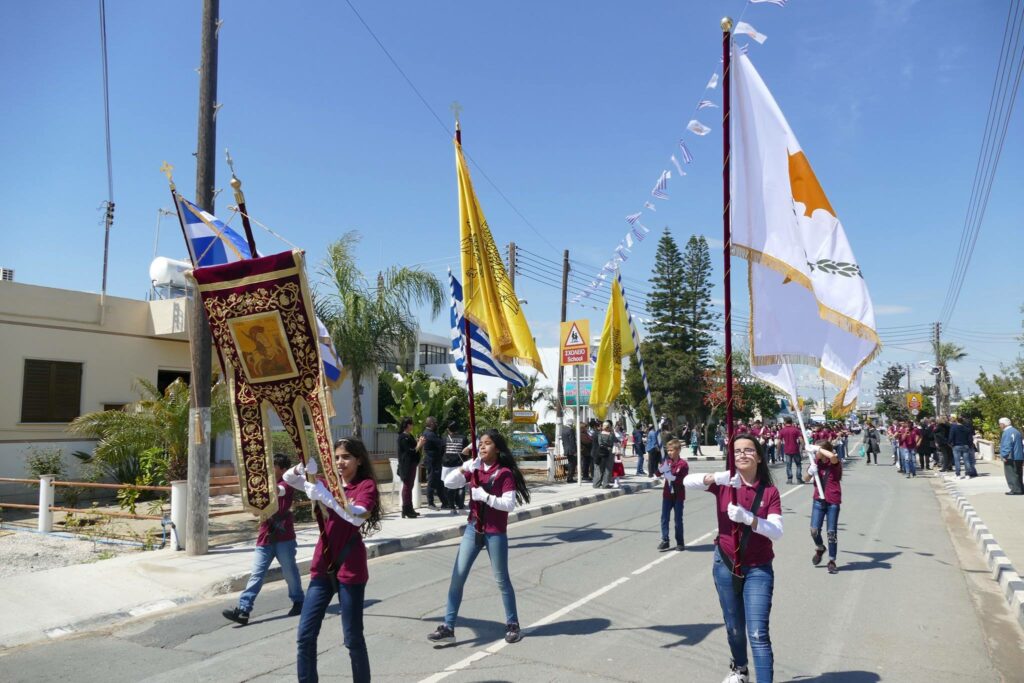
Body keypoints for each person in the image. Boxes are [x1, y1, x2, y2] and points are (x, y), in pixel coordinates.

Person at [683, 434, 784, 683]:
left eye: (748, 450)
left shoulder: (769, 491)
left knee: (758, 633)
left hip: (758, 569)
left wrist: (749, 519)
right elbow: (687, 481)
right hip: (725, 564)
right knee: (734, 628)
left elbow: (777, 532)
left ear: (759, 457)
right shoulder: (725, 484)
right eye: (737, 451)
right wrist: (715, 477)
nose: (742, 454)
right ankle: (740, 668)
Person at [285, 437, 382, 683]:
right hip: (323, 564)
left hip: (350, 566)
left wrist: (326, 496)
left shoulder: (366, 486)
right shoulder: (330, 483)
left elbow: (356, 517)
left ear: (359, 460)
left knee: (352, 638)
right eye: (337, 457)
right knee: (305, 635)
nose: (340, 462)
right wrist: (302, 469)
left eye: (346, 457)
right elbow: (288, 479)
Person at [428, 429, 531, 646]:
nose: (482, 447)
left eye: (487, 443)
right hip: (473, 529)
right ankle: (448, 626)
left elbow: (509, 504)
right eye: (480, 443)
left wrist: (485, 496)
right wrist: (465, 467)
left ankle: (513, 624)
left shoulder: (504, 473)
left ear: (497, 448)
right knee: (458, 576)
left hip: (495, 532)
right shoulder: (474, 469)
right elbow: (448, 482)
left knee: (502, 580)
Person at [222, 453, 304, 625]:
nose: (269, 469)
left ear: (282, 469)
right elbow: (256, 509)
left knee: (289, 572)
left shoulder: (287, 484)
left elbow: (279, 492)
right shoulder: (264, 484)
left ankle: (299, 602)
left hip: (284, 537)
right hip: (266, 535)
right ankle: (244, 610)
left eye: (273, 466)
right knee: (256, 574)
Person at [804, 441, 842, 574]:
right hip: (818, 501)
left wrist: (819, 448)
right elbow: (806, 479)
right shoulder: (815, 462)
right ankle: (820, 548)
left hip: (832, 501)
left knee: (831, 533)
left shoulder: (834, 462)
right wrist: (810, 472)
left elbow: (832, 456)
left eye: (818, 451)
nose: (815, 453)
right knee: (814, 530)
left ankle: (832, 560)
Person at [657, 439, 689, 551]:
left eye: (672, 450)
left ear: (678, 450)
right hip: (667, 495)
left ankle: (680, 542)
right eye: (668, 450)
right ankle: (665, 540)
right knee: (664, 518)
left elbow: (681, 479)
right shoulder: (667, 462)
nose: (669, 452)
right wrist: (660, 469)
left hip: (678, 495)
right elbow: (658, 473)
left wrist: (672, 477)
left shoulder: (683, 464)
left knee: (678, 520)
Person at [442, 422, 469, 513]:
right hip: (459, 465)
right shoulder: (463, 438)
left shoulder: (445, 439)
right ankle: (460, 505)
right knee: (461, 485)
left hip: (446, 465)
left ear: (448, 429)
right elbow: (466, 452)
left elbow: (442, 451)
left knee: (448, 485)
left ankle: (451, 506)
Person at [397, 417, 420, 518]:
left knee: (410, 486)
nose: (412, 426)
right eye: (411, 424)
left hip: (412, 464)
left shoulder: (409, 436)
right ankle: (405, 509)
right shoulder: (402, 437)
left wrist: (418, 443)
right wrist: (419, 445)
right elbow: (409, 451)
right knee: (407, 487)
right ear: (407, 425)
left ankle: (410, 508)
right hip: (406, 465)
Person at [421, 417, 446, 511]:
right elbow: (441, 443)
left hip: (435, 461)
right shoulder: (430, 434)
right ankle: (430, 503)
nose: (437, 424)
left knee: (439, 482)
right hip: (432, 461)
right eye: (435, 422)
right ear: (431, 424)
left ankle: (444, 501)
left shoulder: (430, 433)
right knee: (431, 482)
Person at [998, 417, 1024, 495]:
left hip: (1011, 457)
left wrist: (1004, 455)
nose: (999, 426)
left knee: (1011, 474)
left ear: (1003, 424)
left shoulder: (1007, 432)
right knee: (1018, 473)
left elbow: (1007, 445)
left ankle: (1015, 489)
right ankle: (1020, 488)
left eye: (1000, 424)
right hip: (1019, 456)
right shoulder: (1016, 431)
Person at [778, 417, 804, 485]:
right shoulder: (796, 430)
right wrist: (803, 447)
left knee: (788, 465)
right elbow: (801, 439)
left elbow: (779, 442)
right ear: (791, 422)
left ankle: (789, 479)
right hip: (795, 449)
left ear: (785, 422)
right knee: (798, 464)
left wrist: (778, 451)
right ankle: (799, 479)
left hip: (787, 450)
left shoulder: (782, 430)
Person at [592, 420, 616, 489]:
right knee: (608, 469)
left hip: (600, 452)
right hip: (609, 452)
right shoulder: (611, 435)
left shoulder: (599, 434)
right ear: (609, 427)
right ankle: (605, 484)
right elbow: (613, 441)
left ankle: (596, 484)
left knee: (599, 469)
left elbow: (600, 443)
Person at [561, 418, 578, 483]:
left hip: (566, 449)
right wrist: (574, 451)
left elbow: (564, 441)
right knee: (573, 464)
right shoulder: (570, 430)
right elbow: (572, 441)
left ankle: (569, 477)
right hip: (571, 450)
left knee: (571, 463)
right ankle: (570, 478)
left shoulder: (564, 430)